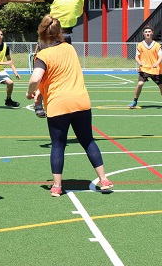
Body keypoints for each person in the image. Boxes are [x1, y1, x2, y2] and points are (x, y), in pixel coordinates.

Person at [0, 0, 132, 117]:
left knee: (63, 70)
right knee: (42, 70)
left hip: (65, 36)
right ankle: (38, 99)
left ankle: (54, 98)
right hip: (48, 36)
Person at [26, 14, 113, 197]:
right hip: (81, 101)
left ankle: (57, 186)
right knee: (88, 140)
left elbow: (36, 78)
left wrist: (30, 92)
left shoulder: (43, 55)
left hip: (59, 105)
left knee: (58, 144)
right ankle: (103, 179)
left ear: (42, 34)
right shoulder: (70, 49)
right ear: (59, 33)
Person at [128, 26, 162, 109]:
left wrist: (157, 63)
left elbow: (160, 56)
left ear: (152, 33)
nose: (147, 33)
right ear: (143, 34)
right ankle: (134, 101)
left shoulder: (156, 45)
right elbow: (136, 56)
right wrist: (139, 62)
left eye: (149, 31)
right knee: (140, 84)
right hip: (144, 68)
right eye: (146, 32)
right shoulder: (140, 45)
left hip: (155, 69)